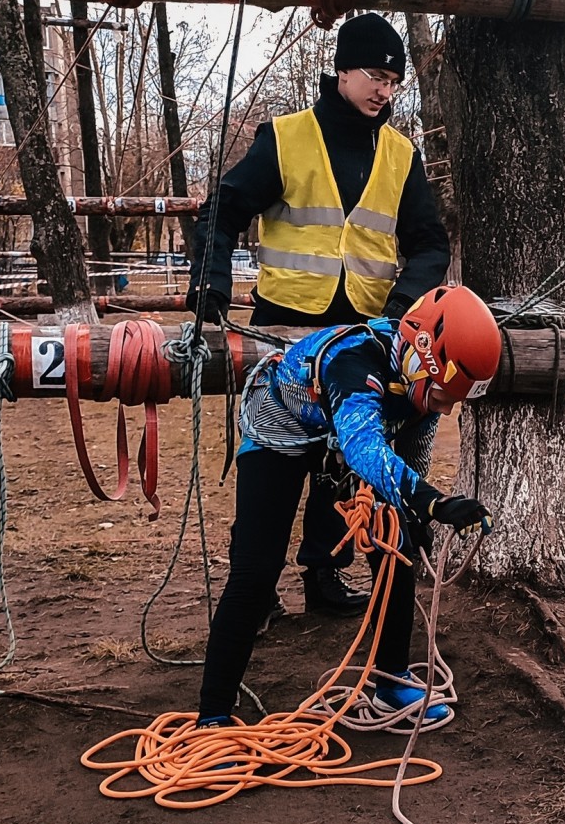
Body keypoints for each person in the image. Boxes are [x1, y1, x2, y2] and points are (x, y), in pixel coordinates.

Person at [187, 13, 451, 618]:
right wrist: (213, 280)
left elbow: (431, 243)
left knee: (343, 460)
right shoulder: (285, 137)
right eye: (375, 75)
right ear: (341, 70)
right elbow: (223, 210)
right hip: (283, 331)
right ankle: (255, 589)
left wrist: (396, 311)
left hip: (364, 333)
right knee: (280, 461)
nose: (384, 90)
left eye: (394, 80)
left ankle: (324, 575)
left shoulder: (402, 155)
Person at [196, 284, 501, 728]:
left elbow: (409, 448)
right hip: (281, 432)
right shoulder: (355, 363)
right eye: (442, 397)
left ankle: (392, 681)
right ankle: (213, 715)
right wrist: (433, 502)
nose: (447, 409)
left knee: (396, 544)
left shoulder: (424, 382)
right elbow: (365, 448)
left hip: (345, 440)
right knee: (256, 570)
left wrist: (417, 512)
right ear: (419, 360)